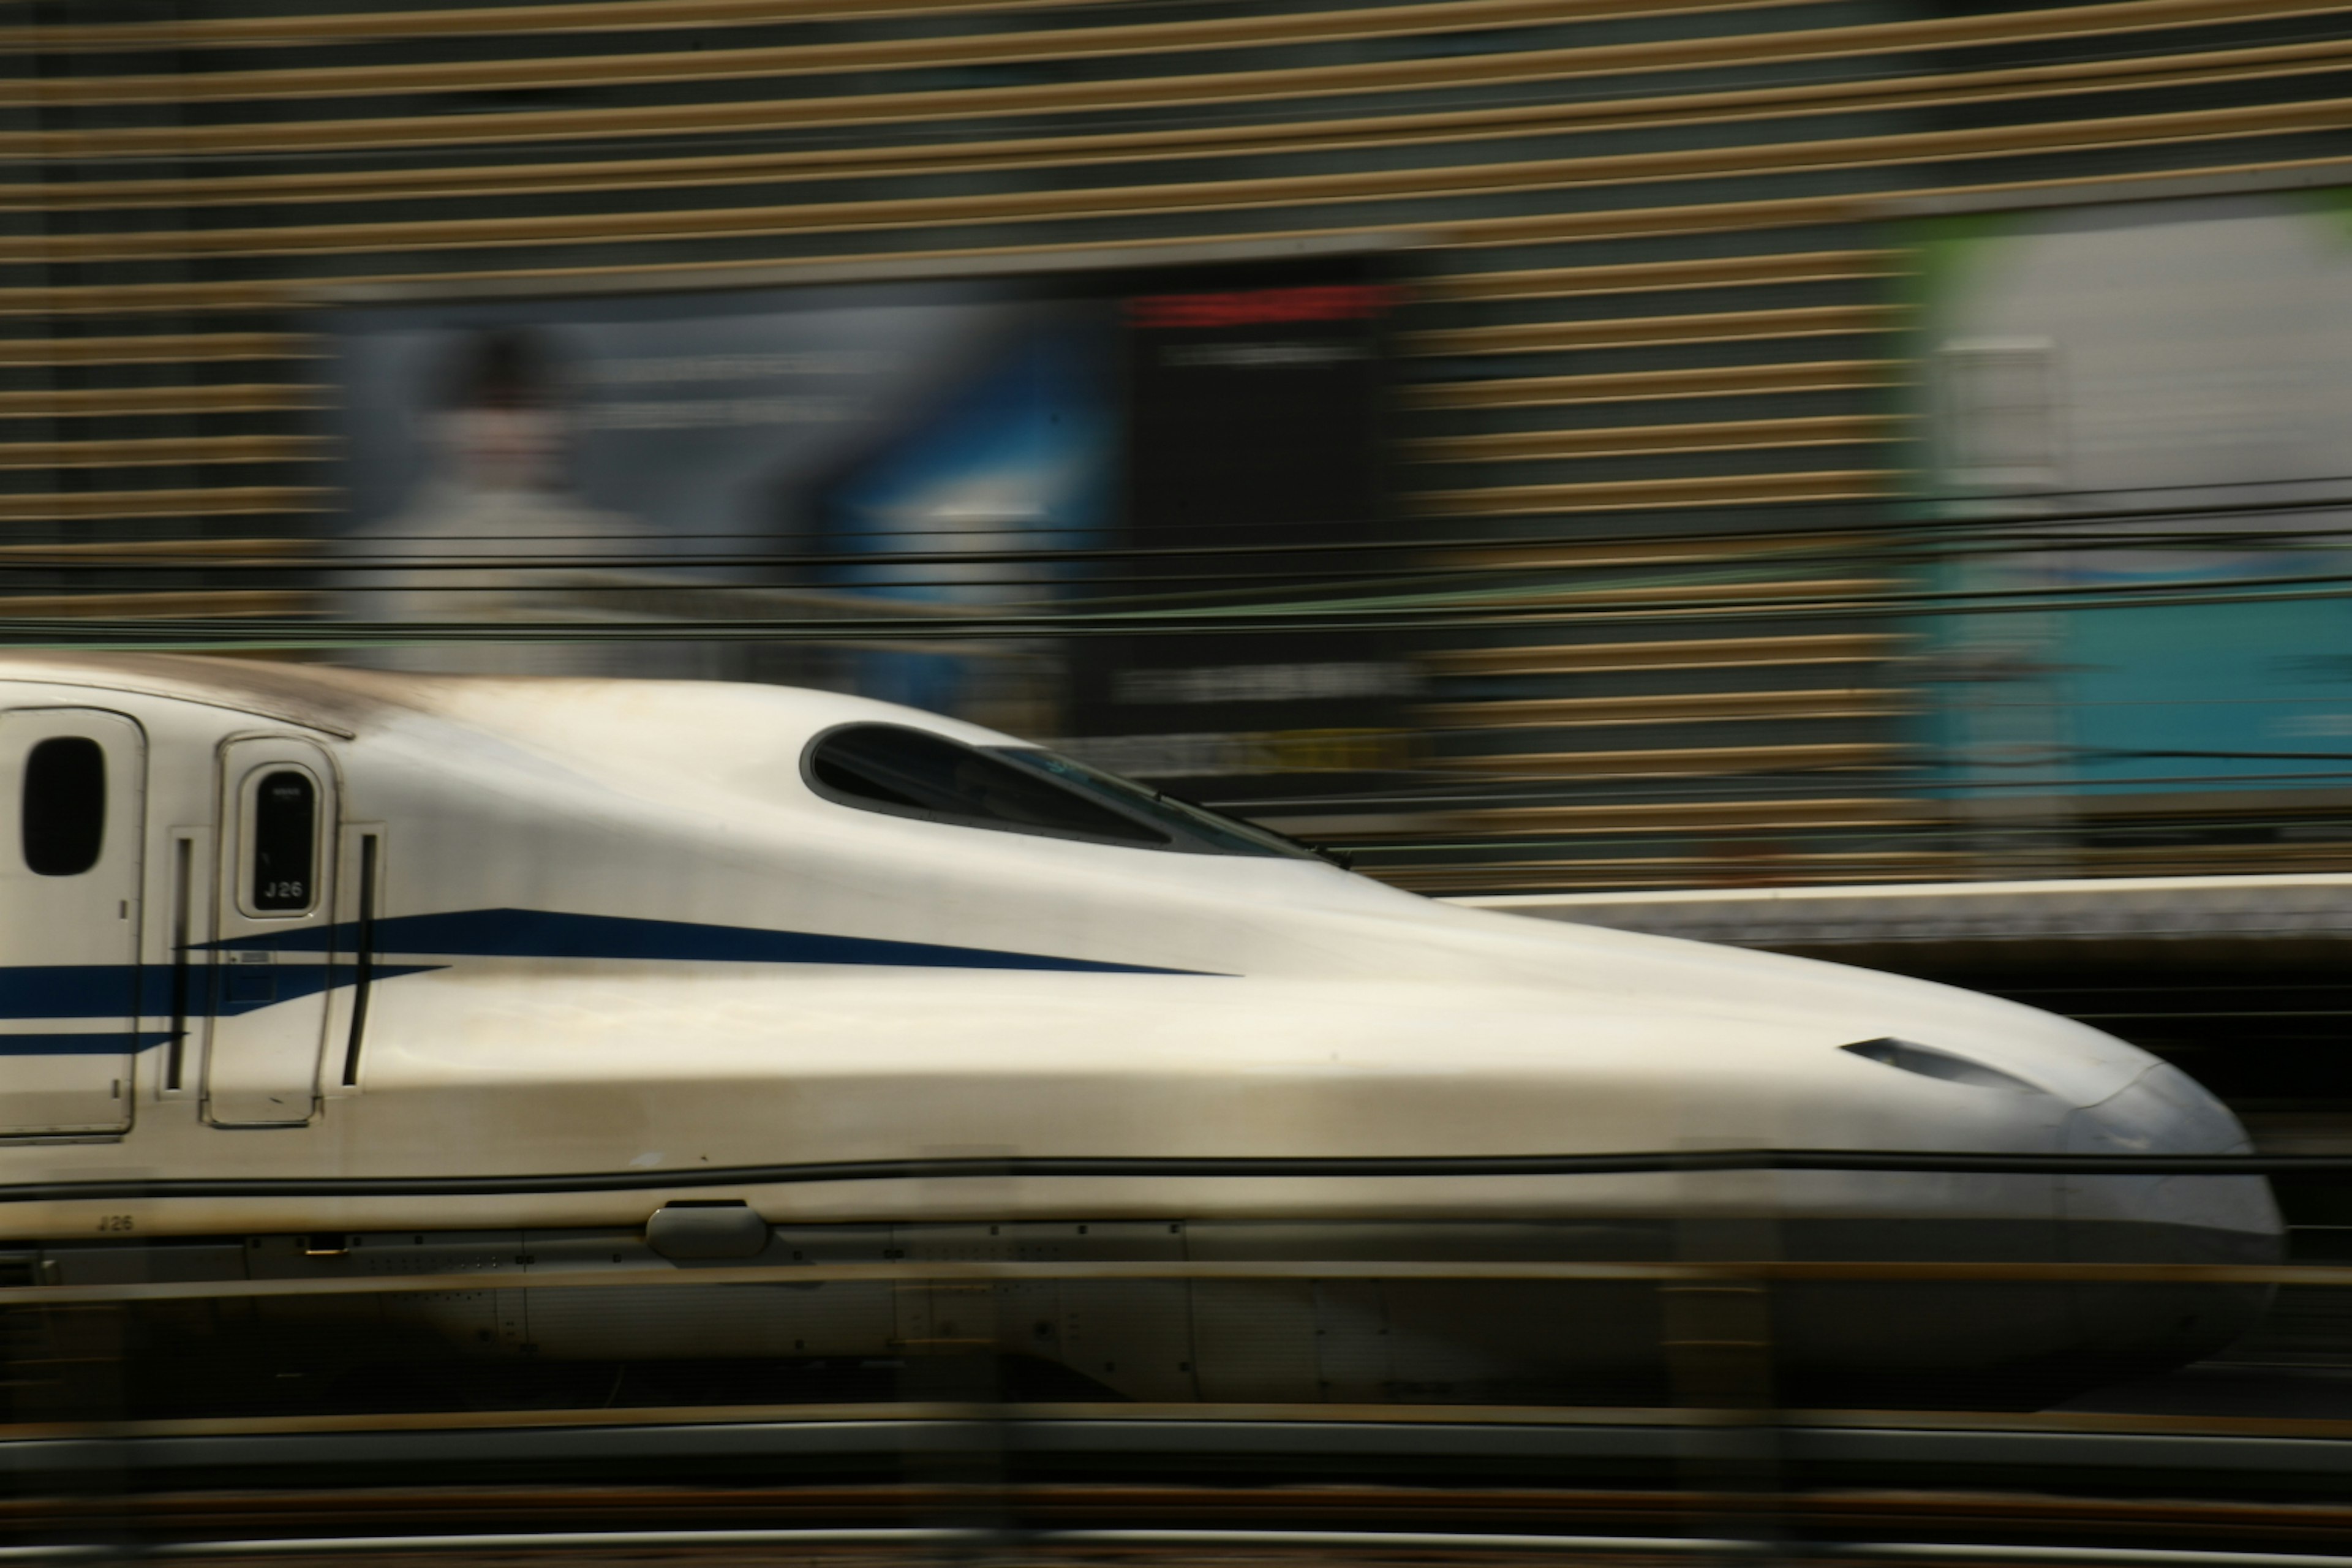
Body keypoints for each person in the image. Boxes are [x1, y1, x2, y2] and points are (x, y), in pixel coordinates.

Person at [342, 327, 649, 676]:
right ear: (427, 424)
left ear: (568, 424)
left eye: (520, 407)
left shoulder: (618, 550)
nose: (498, 429)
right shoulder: (380, 558)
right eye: (478, 406)